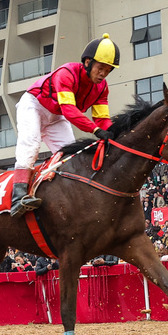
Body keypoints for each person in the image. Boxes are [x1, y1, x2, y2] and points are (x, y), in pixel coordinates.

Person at [10, 33, 120, 217]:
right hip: (34, 105)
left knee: (70, 156)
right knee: (31, 144)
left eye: (108, 70)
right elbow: (70, 110)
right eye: (100, 68)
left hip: (56, 115)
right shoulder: (67, 73)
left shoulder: (102, 88)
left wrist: (114, 133)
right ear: (87, 62)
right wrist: (95, 130)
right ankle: (18, 196)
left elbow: (102, 119)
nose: (103, 74)